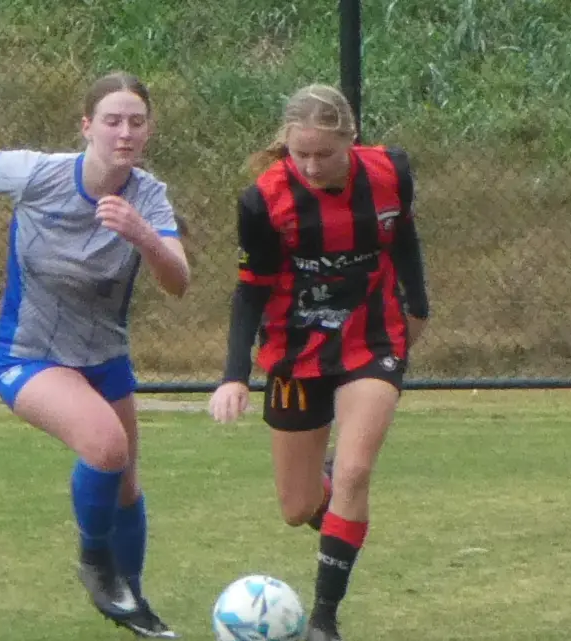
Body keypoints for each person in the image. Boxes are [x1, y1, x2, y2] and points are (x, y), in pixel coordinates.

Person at [0, 71, 189, 639]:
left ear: (148, 132)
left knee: (126, 484)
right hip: (27, 354)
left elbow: (178, 281)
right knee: (107, 447)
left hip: (105, 356)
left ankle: (133, 601)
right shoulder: (40, 174)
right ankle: (94, 565)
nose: (124, 132)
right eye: (112, 120)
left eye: (136, 122)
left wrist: (145, 238)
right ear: (86, 127)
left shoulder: (148, 196)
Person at [208, 84, 430, 641]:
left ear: (350, 141)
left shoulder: (390, 173)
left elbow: (402, 236)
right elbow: (250, 290)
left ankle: (323, 621)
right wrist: (236, 374)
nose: (310, 165)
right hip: (295, 347)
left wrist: (418, 305)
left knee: (357, 470)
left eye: (323, 154)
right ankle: (332, 497)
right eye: (298, 153)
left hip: (370, 336)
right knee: (298, 506)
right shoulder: (263, 201)